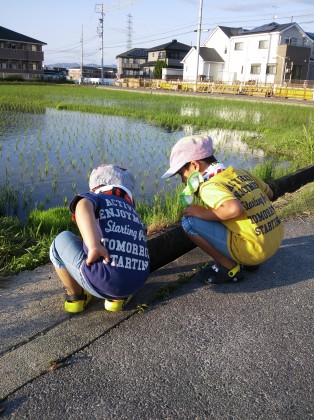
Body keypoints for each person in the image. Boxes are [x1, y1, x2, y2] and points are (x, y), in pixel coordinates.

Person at [162, 135, 284, 284]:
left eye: (182, 174)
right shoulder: (240, 172)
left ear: (195, 165)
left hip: (252, 251)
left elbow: (233, 209)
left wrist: (202, 212)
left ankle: (230, 268)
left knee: (189, 222)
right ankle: (251, 262)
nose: (182, 180)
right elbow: (270, 193)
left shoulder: (210, 185)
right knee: (221, 214)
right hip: (274, 239)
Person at [50, 164, 150, 313]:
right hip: (139, 280)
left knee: (60, 241)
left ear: (94, 188)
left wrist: (93, 246)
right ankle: (117, 300)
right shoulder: (132, 211)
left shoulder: (97, 197)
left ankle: (76, 297)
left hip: (102, 281)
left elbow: (82, 206)